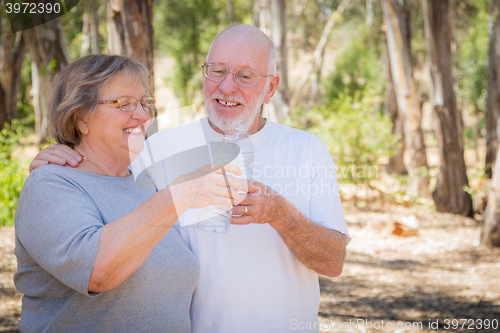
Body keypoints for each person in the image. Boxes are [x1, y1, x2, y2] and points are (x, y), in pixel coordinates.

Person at [30, 25, 350, 332]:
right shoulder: (156, 147)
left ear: (271, 87)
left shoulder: (306, 149)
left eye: (245, 76)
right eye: (217, 71)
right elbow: (101, 174)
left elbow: (333, 262)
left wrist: (280, 214)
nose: (227, 87)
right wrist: (60, 152)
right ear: (203, 73)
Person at [15, 54, 243, 333]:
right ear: (80, 117)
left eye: (145, 103)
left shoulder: (146, 180)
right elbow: (98, 272)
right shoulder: (51, 184)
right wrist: (179, 195)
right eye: (125, 104)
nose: (144, 115)